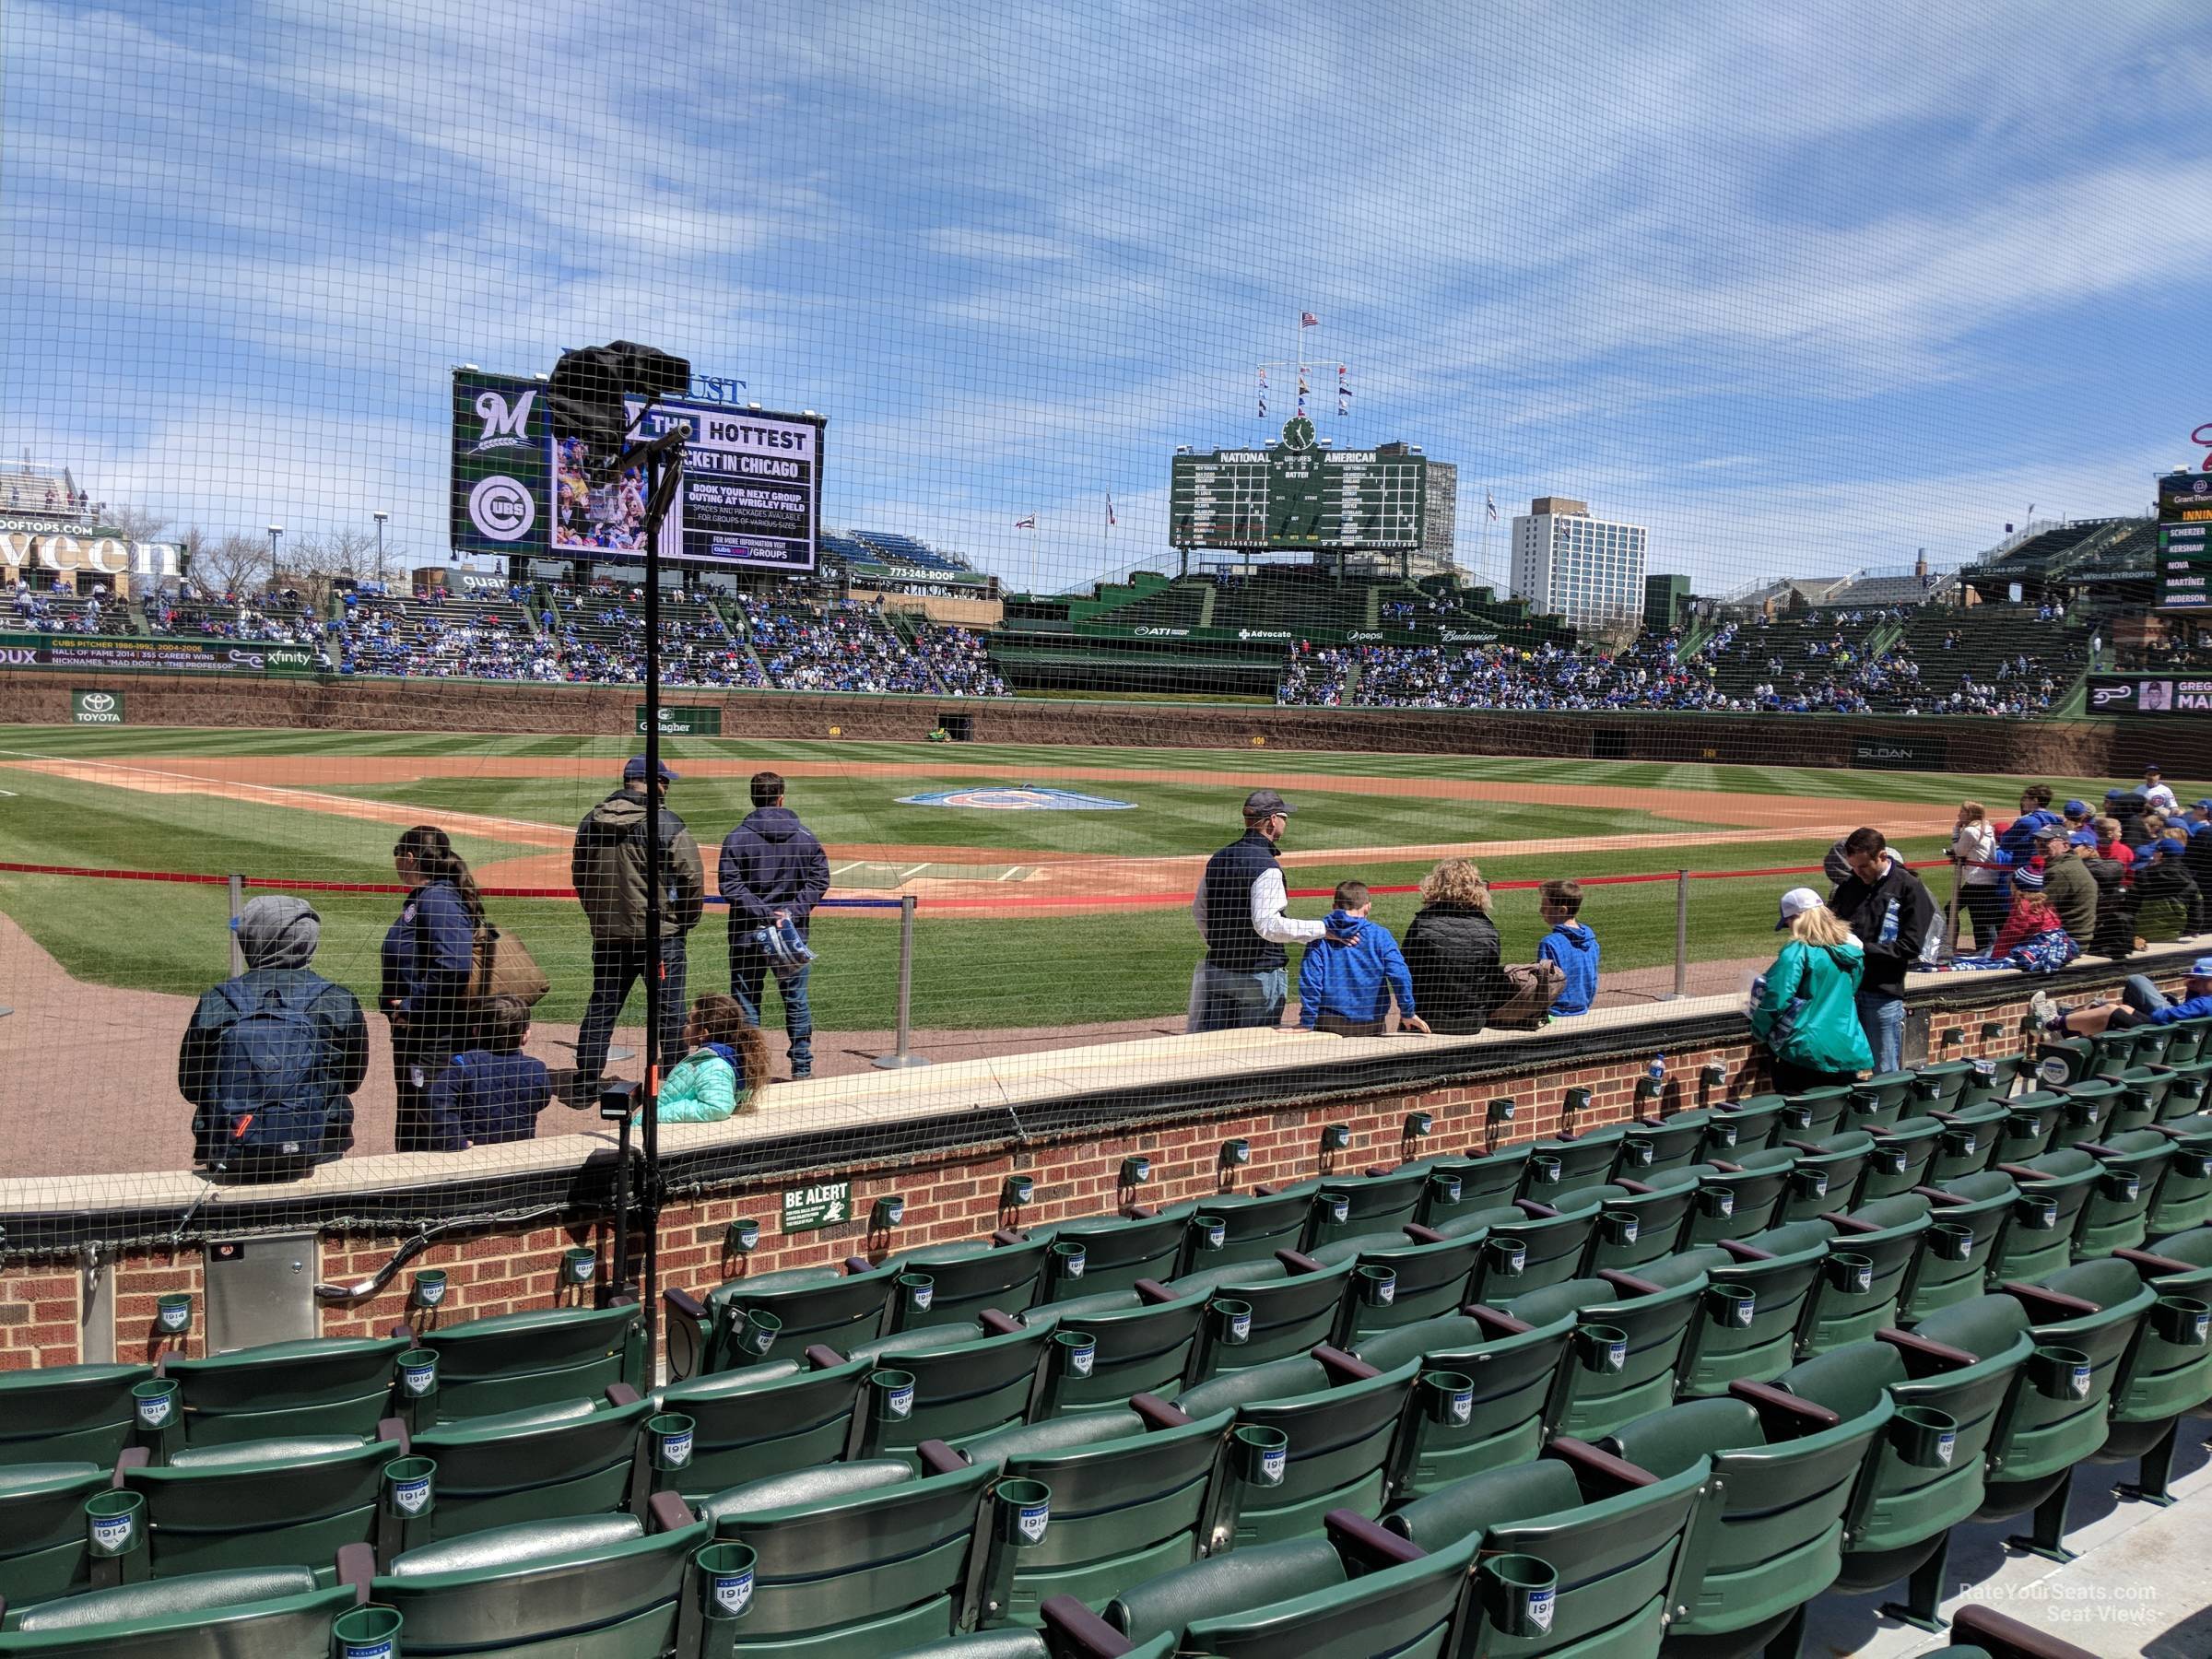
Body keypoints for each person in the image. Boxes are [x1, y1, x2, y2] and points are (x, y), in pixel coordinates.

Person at [179, 896, 368, 1172]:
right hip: (318, 1149)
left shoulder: (217, 1000)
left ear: (255, 942)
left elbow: (191, 1086)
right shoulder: (338, 999)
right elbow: (351, 1081)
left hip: (233, 1151)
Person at [571, 757, 706, 1088]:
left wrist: (599, 916)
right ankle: (675, 1081)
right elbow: (691, 879)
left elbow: (580, 876)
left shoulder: (591, 820)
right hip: (658, 937)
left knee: (602, 1006)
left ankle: (585, 1082)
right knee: (669, 1011)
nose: (666, 787)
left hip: (609, 935)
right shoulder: (665, 822)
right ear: (649, 782)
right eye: (663, 780)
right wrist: (684, 920)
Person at [718, 771, 830, 1080]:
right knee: (795, 999)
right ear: (781, 797)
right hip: (790, 935)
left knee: (746, 1001)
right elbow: (820, 879)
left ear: (754, 798)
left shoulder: (736, 838)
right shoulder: (805, 836)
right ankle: (802, 1066)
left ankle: (752, 1071)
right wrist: (789, 912)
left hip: (746, 935)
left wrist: (764, 912)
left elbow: (730, 886)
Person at [381, 825, 482, 1153]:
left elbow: (454, 964)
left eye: (397, 856)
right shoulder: (427, 897)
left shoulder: (438, 899)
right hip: (421, 1031)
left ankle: (438, 1193)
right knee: (417, 1115)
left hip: (434, 1035)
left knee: (432, 1115)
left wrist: (411, 1006)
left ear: (409, 858)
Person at [1189, 790, 1326, 1032]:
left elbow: (1200, 911)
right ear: (1273, 820)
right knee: (1255, 1051)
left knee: (1211, 1051)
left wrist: (1220, 943)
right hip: (1258, 975)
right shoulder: (1267, 867)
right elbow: (1268, 926)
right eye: (1284, 817)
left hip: (1218, 969)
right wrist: (1323, 929)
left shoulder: (1219, 858)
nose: (1285, 823)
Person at [1827, 827, 1936, 1073]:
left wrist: (1862, 948)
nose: (1858, 872)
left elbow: (1910, 947)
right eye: (1854, 866)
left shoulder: (1909, 888)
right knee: (1842, 1065)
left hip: (1882, 992)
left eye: (1864, 866)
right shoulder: (1850, 885)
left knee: (1884, 1068)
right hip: (1846, 989)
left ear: (1882, 856)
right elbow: (1832, 925)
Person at [1750, 888, 1873, 1092]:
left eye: (1789, 922)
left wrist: (1759, 1029)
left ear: (1798, 918)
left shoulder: (1798, 951)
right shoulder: (1851, 952)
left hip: (1803, 1049)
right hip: (1846, 1043)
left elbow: (1776, 998)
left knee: (1797, 1116)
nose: (1789, 928)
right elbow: (1851, 989)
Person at [1297, 880, 1430, 1036]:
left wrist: (1307, 1021)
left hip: (1328, 1023)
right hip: (1372, 1023)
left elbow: (1310, 981)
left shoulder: (1319, 936)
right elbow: (1400, 975)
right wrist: (1407, 1012)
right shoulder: (1380, 935)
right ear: (1368, 906)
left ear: (1334, 907)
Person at [422, 995, 550, 1151]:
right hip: (520, 1148)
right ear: (525, 1036)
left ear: (476, 1031)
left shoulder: (463, 1064)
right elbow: (542, 1100)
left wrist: (454, 1140)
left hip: (473, 1149)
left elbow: (437, 1101)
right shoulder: (536, 1068)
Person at [1400, 858, 1508, 1035]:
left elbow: (1407, 972)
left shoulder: (1423, 924)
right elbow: (1490, 980)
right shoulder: (1488, 929)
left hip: (1428, 1020)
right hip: (1472, 1022)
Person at [644, 994, 772, 1124]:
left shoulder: (715, 1067)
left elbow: (717, 1107)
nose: (684, 1025)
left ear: (703, 1034)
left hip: (663, 1131)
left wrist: (655, 1115)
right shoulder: (721, 1057)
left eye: (689, 1022)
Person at [2030, 957, 2212, 1037]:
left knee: (2110, 1010)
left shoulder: (2204, 1003)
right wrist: (2193, 991)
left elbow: (2162, 1017)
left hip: (2158, 1035)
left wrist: (2190, 995)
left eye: (2200, 979)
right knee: (2123, 1009)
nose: (2195, 981)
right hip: (2171, 1035)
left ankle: (2048, 1024)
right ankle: (2062, 1030)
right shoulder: (2203, 1000)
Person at [1538, 879, 1600, 1017]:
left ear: (1562, 910)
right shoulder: (1592, 941)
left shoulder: (1550, 943)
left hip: (1555, 1012)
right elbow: (1593, 979)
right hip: (1583, 1008)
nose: (1540, 910)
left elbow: (1544, 984)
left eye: (1545, 907)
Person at [1950, 803, 2005, 953]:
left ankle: (1987, 952)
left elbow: (1959, 851)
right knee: (1980, 918)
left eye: (1961, 812)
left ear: (1969, 815)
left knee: (1980, 919)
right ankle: (1985, 951)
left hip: (1977, 881)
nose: (1958, 815)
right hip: (1987, 879)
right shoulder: (1987, 828)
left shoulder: (1970, 831)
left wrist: (1956, 831)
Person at [2032, 823, 2098, 947]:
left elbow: (2035, 909)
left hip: (2066, 943)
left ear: (2065, 846)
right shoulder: (2072, 863)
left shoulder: (2061, 871)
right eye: (2038, 841)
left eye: (2046, 841)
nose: (2040, 845)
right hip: (2070, 938)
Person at [2131, 832, 2206, 939]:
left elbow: (2132, 904)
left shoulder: (2144, 875)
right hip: (2176, 934)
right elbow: (2197, 908)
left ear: (2160, 855)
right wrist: (2193, 930)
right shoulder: (2189, 880)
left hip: (2142, 933)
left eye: (2155, 852)